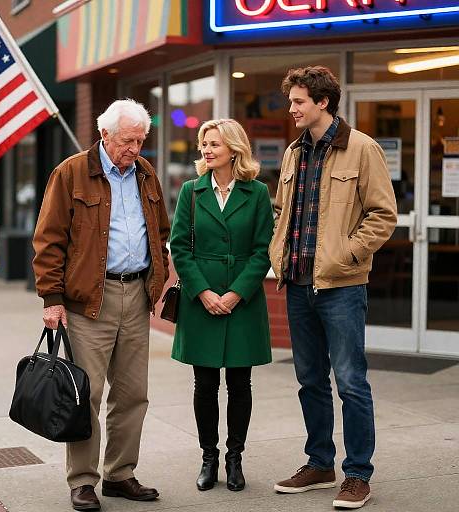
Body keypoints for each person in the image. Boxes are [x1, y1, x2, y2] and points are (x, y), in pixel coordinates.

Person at [32, 99, 170, 511]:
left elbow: (160, 228)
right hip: (89, 299)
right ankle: (83, 480)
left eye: (141, 140)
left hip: (136, 296)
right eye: (128, 140)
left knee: (132, 394)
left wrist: (157, 278)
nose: (135, 148)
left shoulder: (146, 173)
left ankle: (120, 473)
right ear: (105, 134)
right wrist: (51, 299)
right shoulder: (71, 172)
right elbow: (49, 238)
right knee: (85, 395)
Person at [269, 66, 397, 509]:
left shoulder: (362, 148)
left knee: (350, 382)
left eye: (299, 101)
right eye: (292, 101)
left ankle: (357, 473)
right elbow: (283, 210)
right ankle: (320, 462)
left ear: (322, 102)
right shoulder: (293, 153)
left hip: (341, 287)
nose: (292, 108)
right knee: (310, 380)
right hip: (299, 285)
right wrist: (277, 253)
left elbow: (382, 215)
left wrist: (347, 255)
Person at [170, 119, 273, 493]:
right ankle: (209, 458)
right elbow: (179, 247)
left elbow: (264, 249)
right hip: (202, 301)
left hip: (242, 301)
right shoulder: (191, 192)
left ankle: (235, 458)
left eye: (214, 144)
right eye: (204, 144)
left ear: (234, 148)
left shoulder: (258, 192)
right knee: (205, 383)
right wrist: (202, 292)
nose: (207, 150)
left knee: (240, 383)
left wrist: (236, 293)